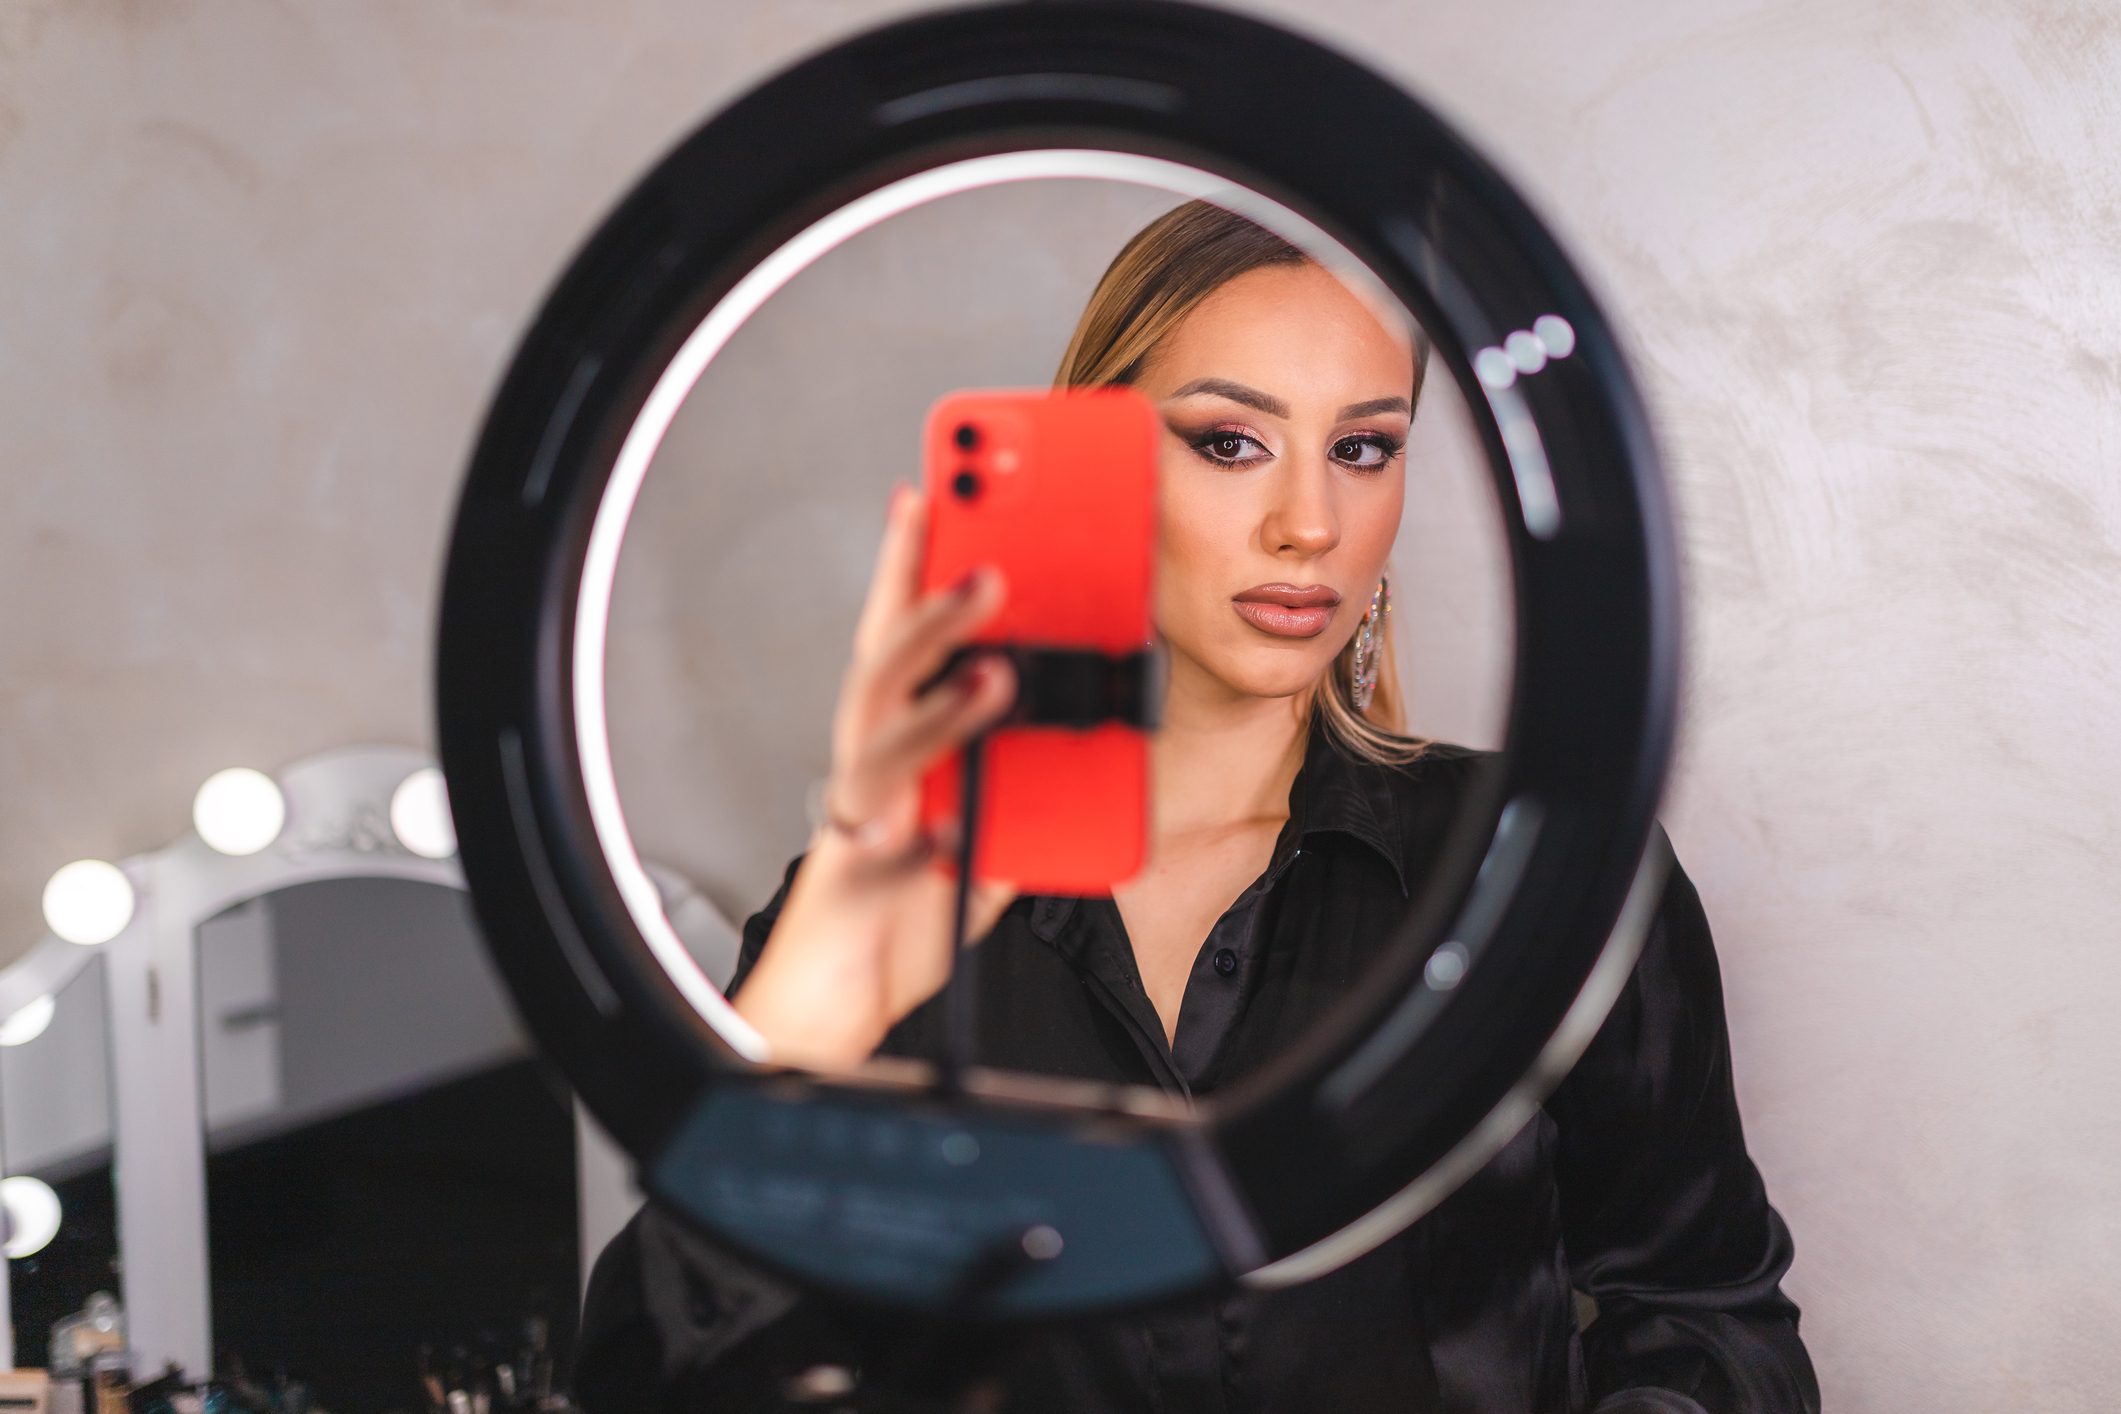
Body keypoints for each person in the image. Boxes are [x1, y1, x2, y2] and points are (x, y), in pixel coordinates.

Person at [573, 202, 1821, 1412]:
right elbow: (662, 1375)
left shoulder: (1546, 872)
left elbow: (1712, 1319)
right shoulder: (889, 903)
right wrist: (819, 998)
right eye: (1230, 441)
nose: (1310, 524)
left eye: (1363, 447)